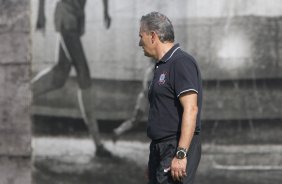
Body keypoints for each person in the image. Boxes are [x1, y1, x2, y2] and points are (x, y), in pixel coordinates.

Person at [32, 0, 112, 157]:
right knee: (83, 71)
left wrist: (105, 11)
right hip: (66, 13)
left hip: (77, 14)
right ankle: (97, 143)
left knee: (60, 75)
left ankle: (18, 96)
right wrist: (41, 13)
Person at [138, 12, 202, 184]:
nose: (139, 43)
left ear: (153, 36)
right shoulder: (160, 67)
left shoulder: (181, 62)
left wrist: (180, 154)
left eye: (141, 36)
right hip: (160, 148)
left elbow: (191, 109)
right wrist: (155, 159)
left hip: (174, 146)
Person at [112, 60, 154, 142]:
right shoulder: (151, 72)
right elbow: (148, 89)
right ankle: (118, 131)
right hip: (145, 98)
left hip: (150, 98)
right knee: (135, 121)